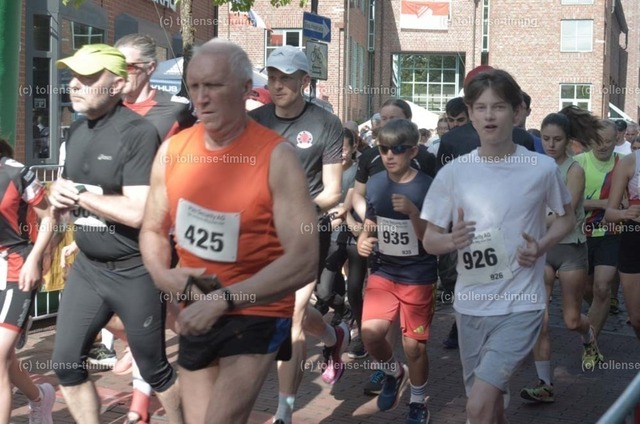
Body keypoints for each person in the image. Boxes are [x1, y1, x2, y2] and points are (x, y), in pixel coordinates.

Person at [139, 38, 318, 424]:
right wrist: (162, 275)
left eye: (214, 86)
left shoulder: (277, 157)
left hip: (256, 305)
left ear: (244, 89)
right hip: (196, 302)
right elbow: (152, 228)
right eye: (194, 86)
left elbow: (304, 260)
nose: (201, 98)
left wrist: (225, 299)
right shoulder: (173, 151)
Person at [422, 68, 575, 424]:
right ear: (471, 114)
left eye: (499, 106)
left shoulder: (541, 168)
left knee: (477, 407)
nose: (489, 115)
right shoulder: (454, 173)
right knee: (490, 410)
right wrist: (452, 240)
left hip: (522, 304)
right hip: (471, 306)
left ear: (517, 112)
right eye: (481, 107)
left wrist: (541, 245)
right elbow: (429, 240)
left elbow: (566, 219)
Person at [48, 44, 182, 424]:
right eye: (74, 76)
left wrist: (81, 196)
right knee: (66, 364)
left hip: (134, 269)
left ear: (118, 84)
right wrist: (54, 207)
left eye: (90, 77)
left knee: (154, 369)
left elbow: (139, 211)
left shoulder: (138, 133)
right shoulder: (76, 130)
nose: (76, 85)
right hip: (89, 268)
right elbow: (65, 197)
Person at [249, 45, 348, 424]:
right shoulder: (255, 121)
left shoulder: (326, 123)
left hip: (307, 230)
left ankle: (284, 412)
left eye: (286, 79)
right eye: (272, 77)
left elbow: (333, 190)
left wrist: (298, 212)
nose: (277, 85)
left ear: (305, 81)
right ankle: (333, 337)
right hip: (262, 232)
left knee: (291, 314)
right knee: (287, 311)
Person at [520, 108, 603, 403]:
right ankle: (544, 384)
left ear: (568, 140)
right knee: (538, 319)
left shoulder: (574, 170)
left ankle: (588, 336)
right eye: (545, 138)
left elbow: (563, 213)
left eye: (556, 139)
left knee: (570, 319)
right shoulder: (534, 167)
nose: (551, 144)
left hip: (570, 249)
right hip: (543, 249)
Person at [357, 119, 436, 424]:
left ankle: (418, 402)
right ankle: (393, 372)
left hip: (418, 274)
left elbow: (432, 239)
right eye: (383, 149)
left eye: (398, 149)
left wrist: (413, 212)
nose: (389, 155)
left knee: (414, 347)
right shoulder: (376, 183)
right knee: (370, 335)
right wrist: (364, 240)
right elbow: (371, 222)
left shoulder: (427, 187)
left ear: (413, 151)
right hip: (384, 271)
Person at [0, 138, 56, 423]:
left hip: (17, 268)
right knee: (5, 359)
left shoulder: (16, 172)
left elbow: (49, 217)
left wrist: (36, 257)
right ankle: (40, 398)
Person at [574, 121, 622, 339]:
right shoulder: (578, 163)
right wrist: (603, 204)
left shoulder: (624, 164)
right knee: (586, 288)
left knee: (602, 287)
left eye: (608, 141)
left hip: (611, 233)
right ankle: (600, 308)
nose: (603, 146)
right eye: (598, 140)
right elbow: (568, 202)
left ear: (617, 139)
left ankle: (590, 344)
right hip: (581, 234)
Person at [605, 146, 640, 339]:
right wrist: (625, 213)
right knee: (636, 318)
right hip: (634, 238)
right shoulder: (629, 162)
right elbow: (610, 213)